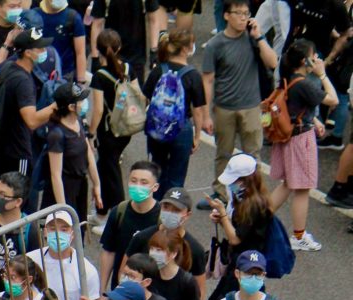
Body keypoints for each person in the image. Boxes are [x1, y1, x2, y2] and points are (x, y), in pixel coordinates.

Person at [200, 0, 277, 207]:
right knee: (223, 153)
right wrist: (206, 115)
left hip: (251, 107)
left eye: (246, 13)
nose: (243, 17)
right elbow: (207, 80)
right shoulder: (216, 45)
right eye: (238, 13)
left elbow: (272, 62)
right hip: (224, 107)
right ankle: (220, 193)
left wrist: (259, 37)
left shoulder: (253, 39)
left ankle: (254, 194)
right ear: (226, 15)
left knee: (253, 154)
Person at [269, 40, 336, 252]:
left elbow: (295, 106)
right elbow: (333, 100)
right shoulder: (306, 83)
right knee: (302, 188)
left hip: (290, 136)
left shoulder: (289, 79)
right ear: (304, 60)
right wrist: (322, 74)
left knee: (288, 183)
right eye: (313, 55)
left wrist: (313, 120)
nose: (316, 58)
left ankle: (258, 220)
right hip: (301, 140)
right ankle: (299, 236)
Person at [202, 155, 274, 300]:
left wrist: (222, 215)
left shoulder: (254, 205)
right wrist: (222, 219)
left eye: (235, 181)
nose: (231, 185)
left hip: (246, 266)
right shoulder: (244, 198)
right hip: (240, 264)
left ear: (246, 180)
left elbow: (235, 238)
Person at [143, 30, 208, 199]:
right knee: (177, 177)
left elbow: (146, 98)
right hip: (181, 129)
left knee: (156, 169)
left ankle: (154, 208)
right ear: (187, 49)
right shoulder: (193, 75)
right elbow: (198, 109)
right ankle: (172, 208)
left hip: (157, 127)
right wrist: (197, 135)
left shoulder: (158, 70)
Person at [88, 30, 138, 232]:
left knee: (112, 174)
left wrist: (90, 133)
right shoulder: (128, 68)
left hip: (108, 132)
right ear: (119, 48)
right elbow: (138, 95)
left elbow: (98, 109)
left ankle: (118, 221)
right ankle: (102, 213)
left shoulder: (100, 76)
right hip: (126, 127)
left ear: (98, 50)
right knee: (104, 167)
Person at [0, 28, 57, 179]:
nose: (44, 51)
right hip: (17, 149)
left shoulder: (9, 66)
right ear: (27, 53)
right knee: (18, 194)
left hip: (2, 144)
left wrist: (7, 44)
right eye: (40, 48)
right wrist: (58, 105)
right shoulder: (24, 82)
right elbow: (32, 121)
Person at [126, 186, 207, 296]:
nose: (170, 213)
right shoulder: (142, 238)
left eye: (176, 210)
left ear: (188, 215)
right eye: (166, 207)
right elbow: (124, 272)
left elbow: (199, 292)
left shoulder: (195, 249)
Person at [42, 83, 100, 227]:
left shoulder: (78, 122)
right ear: (71, 107)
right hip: (63, 190)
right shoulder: (57, 134)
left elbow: (88, 152)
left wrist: (96, 184)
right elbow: (56, 175)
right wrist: (63, 210)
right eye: (81, 100)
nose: (85, 103)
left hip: (80, 186)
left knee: (79, 230)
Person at [98, 161, 160, 292]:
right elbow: (109, 251)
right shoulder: (119, 211)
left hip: (150, 291)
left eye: (144, 183)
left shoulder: (161, 218)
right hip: (120, 289)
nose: (138, 186)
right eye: (133, 181)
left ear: (155, 187)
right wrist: (102, 291)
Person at [28, 210, 98, 300]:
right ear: (45, 232)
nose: (57, 234)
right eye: (52, 229)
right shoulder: (30, 259)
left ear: (72, 234)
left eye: (64, 229)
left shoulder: (87, 270)